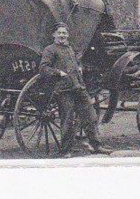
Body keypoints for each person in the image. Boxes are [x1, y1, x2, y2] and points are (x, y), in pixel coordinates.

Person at [39, 22, 109, 154]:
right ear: (54, 35)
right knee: (67, 120)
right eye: (59, 33)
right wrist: (58, 73)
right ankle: (66, 151)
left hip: (78, 87)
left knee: (91, 116)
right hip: (64, 89)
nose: (62, 35)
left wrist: (79, 68)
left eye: (64, 33)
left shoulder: (69, 48)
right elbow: (43, 68)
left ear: (68, 35)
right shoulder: (50, 49)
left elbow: (76, 63)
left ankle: (96, 146)